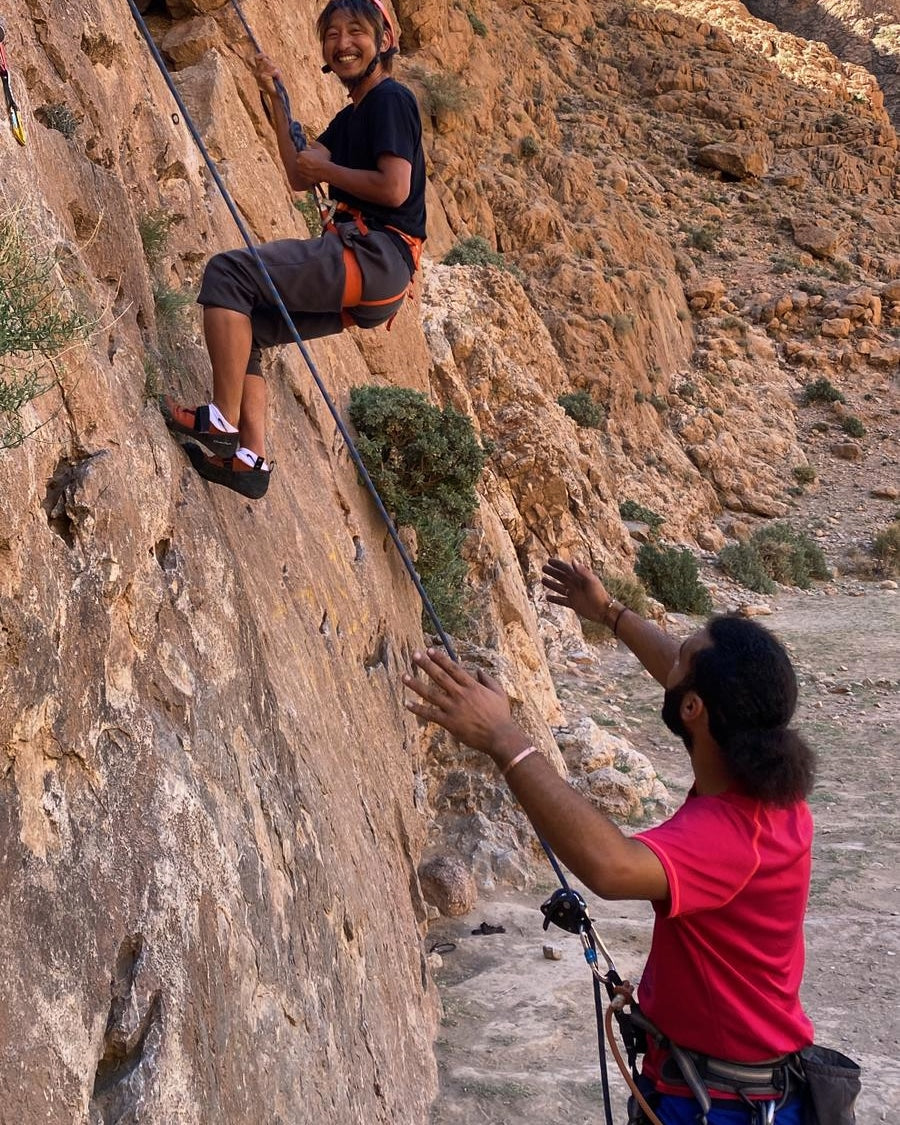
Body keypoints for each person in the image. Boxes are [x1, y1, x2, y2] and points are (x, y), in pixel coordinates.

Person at [403, 558, 817, 1124]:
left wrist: (503, 738)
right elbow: (686, 675)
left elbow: (611, 867)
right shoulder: (768, 782)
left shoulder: (732, 836)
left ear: (693, 709)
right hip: (715, 1085)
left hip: (718, 1106)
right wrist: (608, 613)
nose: (671, 656)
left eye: (681, 658)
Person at [161, 0, 426, 499]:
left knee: (229, 275)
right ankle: (249, 459)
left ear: (383, 41)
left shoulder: (391, 99)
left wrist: (326, 172)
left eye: (355, 31)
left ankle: (220, 421)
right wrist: (276, 100)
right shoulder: (350, 119)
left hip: (375, 255)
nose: (342, 43)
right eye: (331, 34)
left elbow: (394, 189)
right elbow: (299, 171)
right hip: (378, 276)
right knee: (254, 326)